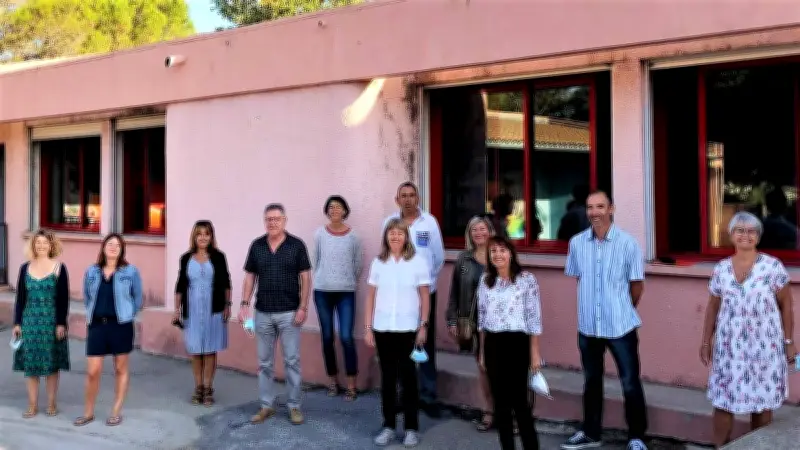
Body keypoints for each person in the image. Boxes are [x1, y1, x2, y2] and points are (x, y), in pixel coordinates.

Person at [700, 212, 796, 447]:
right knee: (724, 400)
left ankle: (759, 446)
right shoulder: (721, 269)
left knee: (761, 402)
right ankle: (720, 446)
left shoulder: (772, 267)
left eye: (751, 230)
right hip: (729, 346)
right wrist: (705, 341)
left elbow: (787, 306)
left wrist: (789, 341)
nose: (745, 235)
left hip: (765, 346)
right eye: (740, 230)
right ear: (731, 235)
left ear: (759, 236)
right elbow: (713, 306)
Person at [562, 190, 648, 450]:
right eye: (590, 207)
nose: (595, 213)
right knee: (591, 381)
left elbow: (637, 286)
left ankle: (636, 437)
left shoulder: (628, 243)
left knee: (630, 382)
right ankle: (591, 433)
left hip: (620, 325)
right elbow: (580, 278)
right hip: (588, 326)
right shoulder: (577, 243)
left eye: (600, 207)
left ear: (611, 209)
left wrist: (621, 307)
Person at [239, 203, 312, 426]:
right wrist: (244, 303)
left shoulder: (296, 245)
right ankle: (266, 406)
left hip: (289, 313)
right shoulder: (257, 246)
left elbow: (306, 278)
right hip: (263, 313)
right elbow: (250, 276)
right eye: (268, 219)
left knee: (292, 361)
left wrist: (303, 307)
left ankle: (294, 407)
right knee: (264, 363)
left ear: (284, 220)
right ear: (265, 221)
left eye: (276, 219)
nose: (272, 223)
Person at [365, 218, 431, 448]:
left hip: (408, 330)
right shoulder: (378, 263)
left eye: (399, 233)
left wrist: (423, 325)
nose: (395, 237)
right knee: (388, 380)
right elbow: (371, 296)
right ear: (386, 237)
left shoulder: (417, 262)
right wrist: (368, 327)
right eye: (391, 233)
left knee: (409, 379)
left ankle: (411, 428)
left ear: (406, 237)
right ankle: (389, 426)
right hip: (383, 329)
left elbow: (424, 295)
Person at [382, 181, 444, 416]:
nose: (408, 199)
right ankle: (402, 394)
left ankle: (428, 396)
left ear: (418, 198)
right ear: (397, 199)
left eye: (411, 195)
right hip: (398, 295)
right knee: (400, 344)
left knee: (425, 343)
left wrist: (424, 283)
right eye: (403, 196)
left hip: (424, 293)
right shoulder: (389, 223)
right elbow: (385, 253)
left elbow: (437, 258)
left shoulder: (429, 222)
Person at [478, 236, 542, 450]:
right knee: (501, 405)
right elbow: (482, 319)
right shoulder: (486, 281)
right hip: (493, 344)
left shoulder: (526, 280)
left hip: (517, 343)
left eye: (502, 250)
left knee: (520, 403)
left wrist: (534, 353)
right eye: (493, 251)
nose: (498, 255)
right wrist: (482, 353)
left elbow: (534, 317)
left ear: (511, 253)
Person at [74, 233, 143, 427]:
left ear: (122, 250)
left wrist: (127, 313)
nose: (113, 247)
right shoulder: (92, 272)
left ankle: (115, 411)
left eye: (117, 245)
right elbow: (88, 297)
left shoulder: (130, 272)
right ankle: (88, 413)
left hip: (120, 325)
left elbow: (137, 299)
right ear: (103, 247)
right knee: (93, 371)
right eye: (109, 244)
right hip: (97, 325)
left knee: (120, 368)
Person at [12, 229, 70, 418]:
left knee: (51, 365)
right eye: (38, 243)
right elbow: (20, 298)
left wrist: (61, 323)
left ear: (51, 245)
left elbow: (63, 299)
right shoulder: (24, 268)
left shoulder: (59, 268)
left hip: (51, 322)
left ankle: (52, 403)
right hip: (29, 322)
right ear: (33, 245)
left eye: (45, 243)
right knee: (31, 366)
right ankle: (32, 405)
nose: (42, 246)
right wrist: (17, 323)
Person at [446, 215, 496, 431]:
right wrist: (452, 319)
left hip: (499, 324)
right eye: (474, 229)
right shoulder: (463, 260)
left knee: (503, 370)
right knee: (483, 368)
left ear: (490, 231)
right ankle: (489, 410)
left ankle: (509, 412)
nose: (478, 233)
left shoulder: (500, 255)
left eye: (482, 229)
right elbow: (454, 292)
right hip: (473, 324)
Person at [174, 220, 232, 406]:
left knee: (209, 349)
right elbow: (180, 286)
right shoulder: (185, 258)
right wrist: (177, 310)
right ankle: (198, 388)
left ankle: (208, 389)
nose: (203, 237)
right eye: (199, 234)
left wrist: (227, 305)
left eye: (206, 234)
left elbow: (226, 282)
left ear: (211, 236)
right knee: (195, 350)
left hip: (213, 308)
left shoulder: (219, 257)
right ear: (194, 236)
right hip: (192, 309)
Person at [313, 195, 362, 401]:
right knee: (326, 337)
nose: (334, 210)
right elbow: (315, 260)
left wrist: (346, 280)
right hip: (323, 291)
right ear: (327, 211)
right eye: (331, 207)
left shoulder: (354, 237)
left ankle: (351, 384)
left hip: (345, 292)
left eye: (338, 207)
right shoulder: (319, 234)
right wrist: (325, 278)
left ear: (345, 211)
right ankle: (333, 381)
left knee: (346, 337)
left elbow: (357, 265)